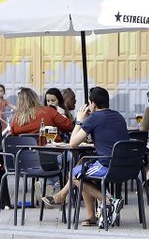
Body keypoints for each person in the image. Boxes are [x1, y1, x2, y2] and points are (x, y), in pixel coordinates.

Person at [42, 86, 129, 227]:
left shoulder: (94, 118)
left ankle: (109, 200)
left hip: (108, 166)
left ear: (93, 104)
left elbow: (72, 143)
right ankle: (91, 216)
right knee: (81, 169)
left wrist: (80, 120)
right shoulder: (118, 116)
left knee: (75, 175)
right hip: (127, 166)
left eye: (89, 103)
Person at [10, 87, 75, 140]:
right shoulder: (48, 111)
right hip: (51, 153)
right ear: (35, 98)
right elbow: (69, 126)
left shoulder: (15, 120)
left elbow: (14, 139)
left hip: (24, 154)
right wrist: (62, 113)